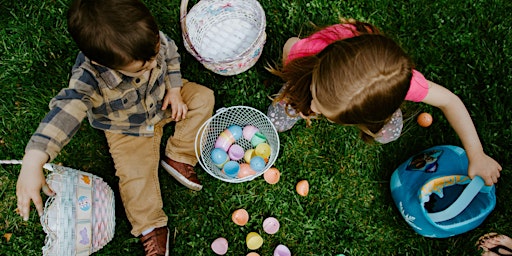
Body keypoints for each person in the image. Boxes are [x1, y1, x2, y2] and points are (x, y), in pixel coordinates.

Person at [15, 0, 214, 255]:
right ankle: (149, 226)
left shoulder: (147, 40)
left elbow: (170, 54)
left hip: (163, 99)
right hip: (126, 128)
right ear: (103, 62)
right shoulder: (89, 80)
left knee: (203, 98)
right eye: (143, 66)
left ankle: (179, 155)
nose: (153, 64)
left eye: (154, 54)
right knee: (135, 177)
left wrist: (175, 88)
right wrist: (33, 160)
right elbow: (65, 112)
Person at [267, 18, 501, 185]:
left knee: (388, 133)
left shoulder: (406, 84)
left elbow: (450, 101)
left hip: (372, 95)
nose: (314, 109)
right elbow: (290, 46)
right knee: (283, 112)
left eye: (322, 110)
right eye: (316, 95)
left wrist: (476, 154)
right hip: (316, 66)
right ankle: (303, 92)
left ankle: (374, 112)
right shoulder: (310, 52)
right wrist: (302, 88)